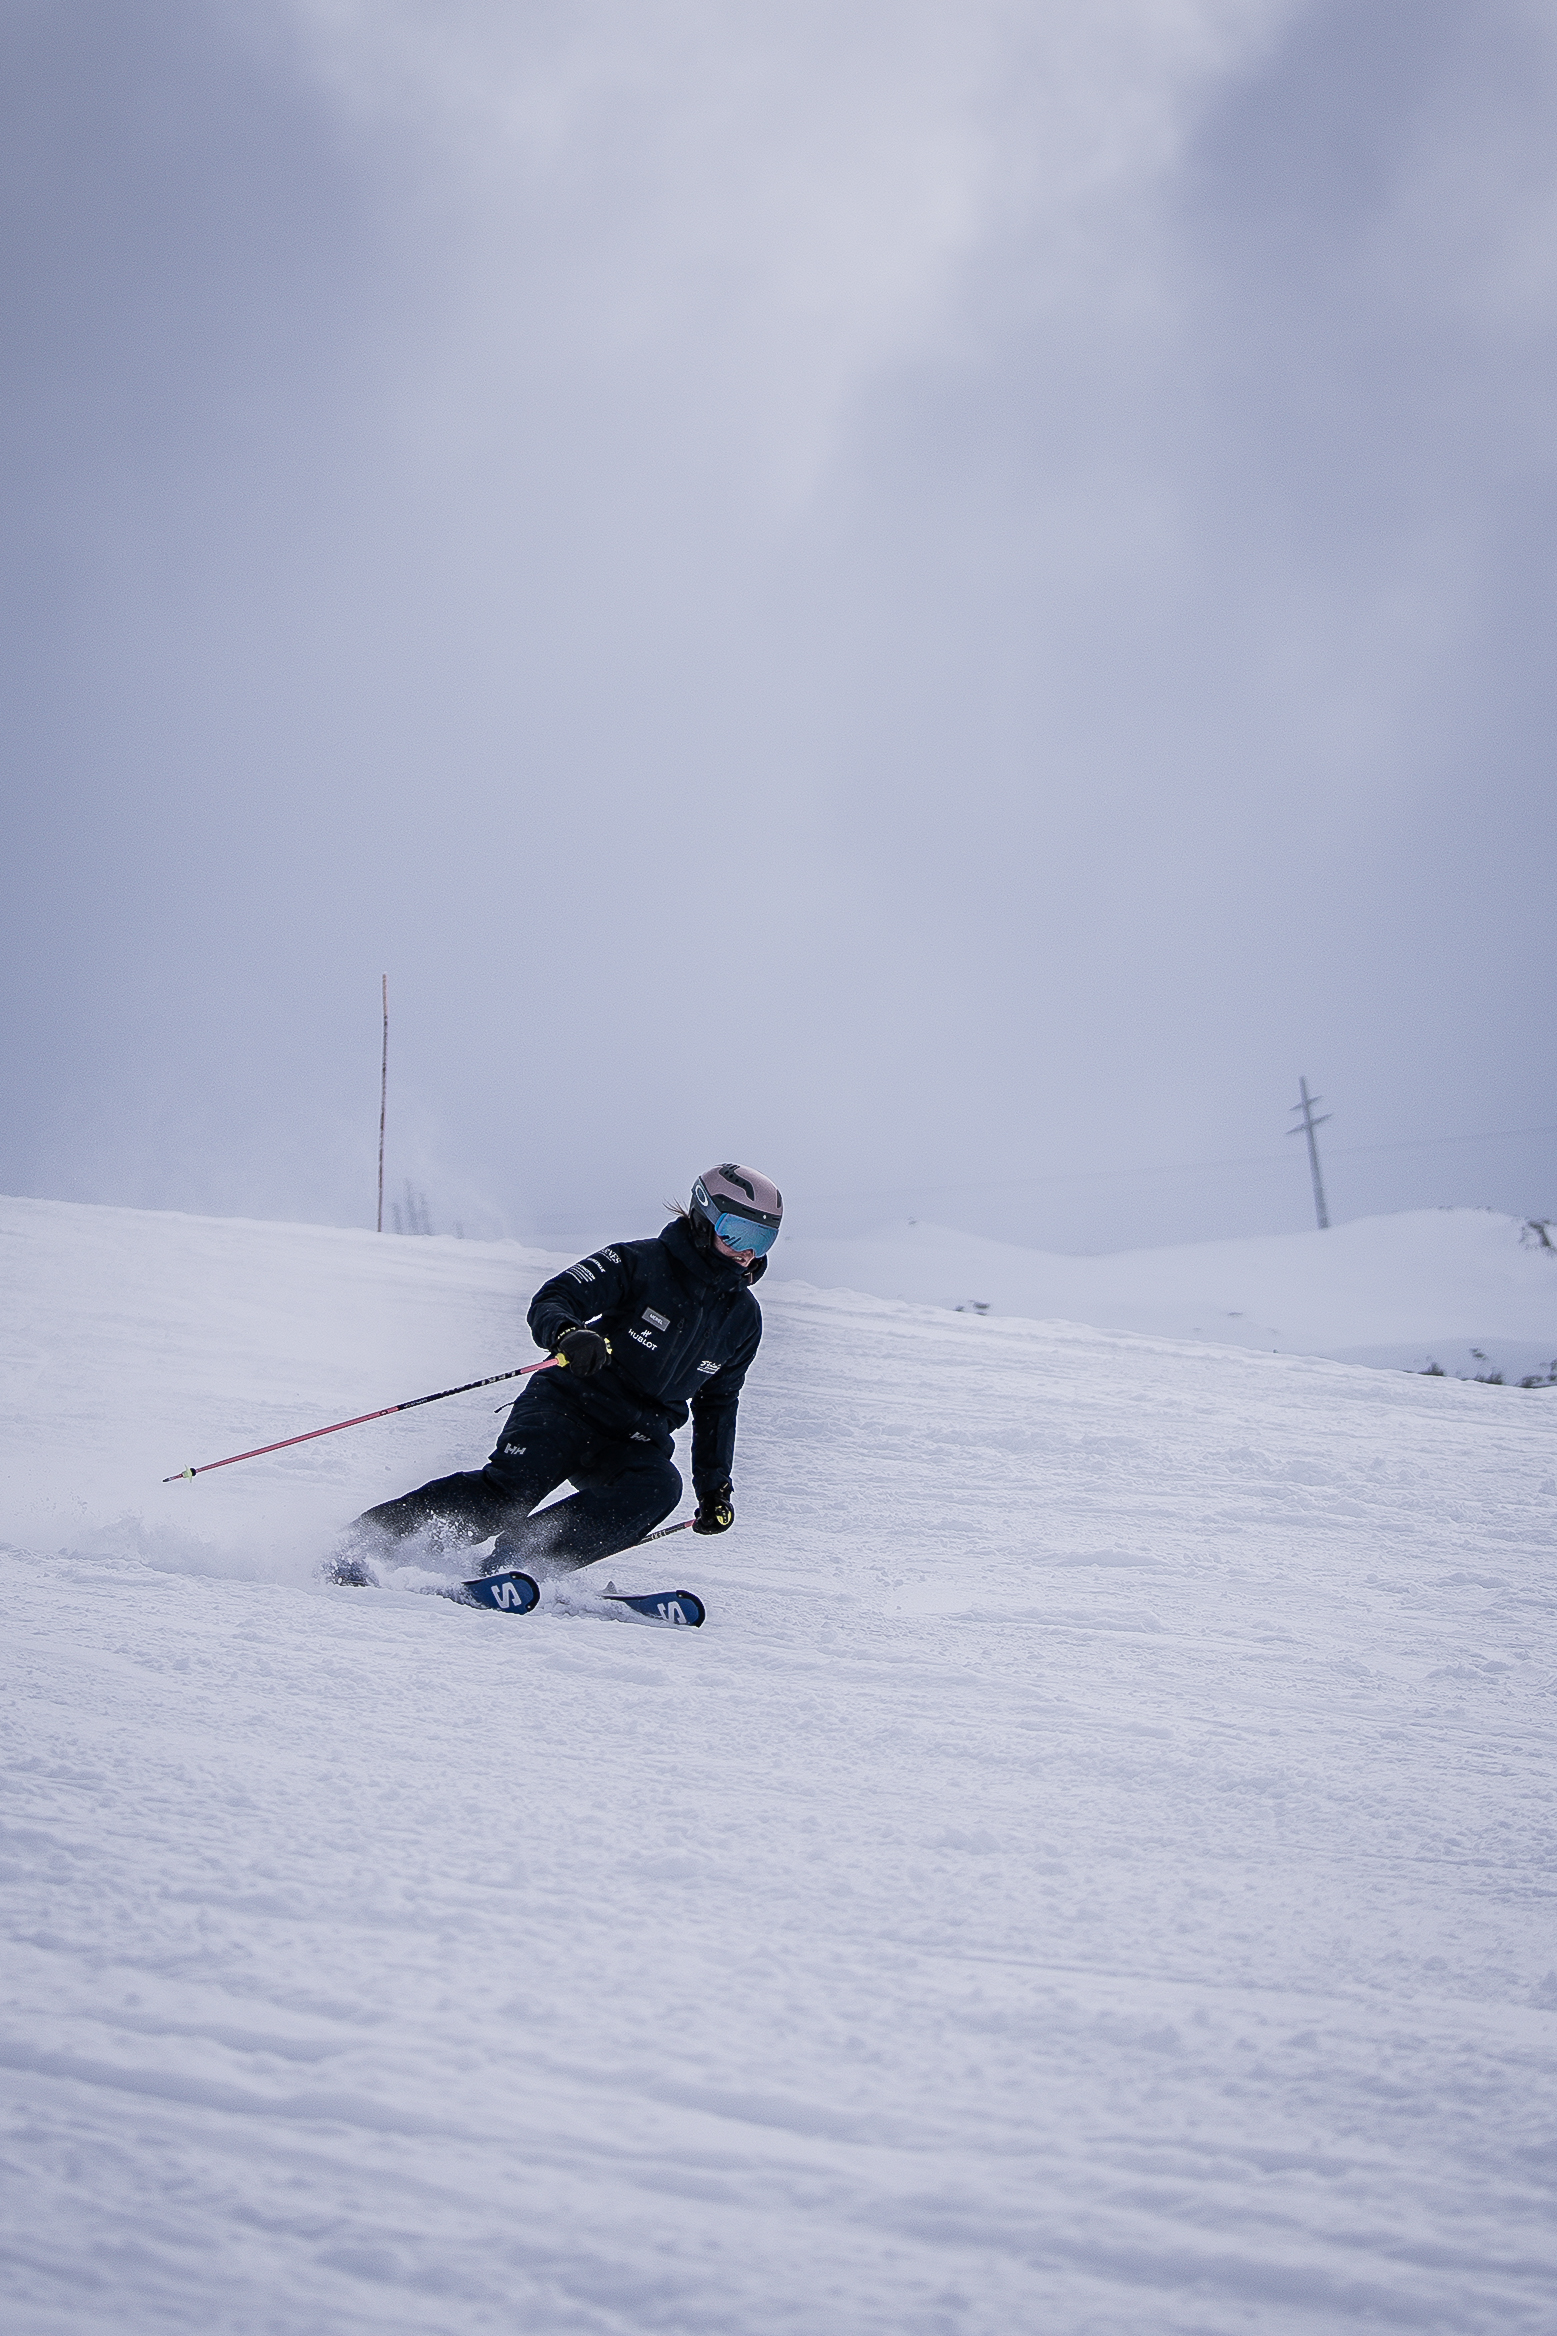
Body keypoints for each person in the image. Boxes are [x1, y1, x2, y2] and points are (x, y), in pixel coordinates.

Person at [331, 1164, 782, 1584]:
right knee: (507, 1496)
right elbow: (555, 1297)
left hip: (635, 1437)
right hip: (566, 1407)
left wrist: (714, 1487)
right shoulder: (640, 1263)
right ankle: (364, 1543)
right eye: (737, 1232)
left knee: (659, 1486)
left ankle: (519, 1563)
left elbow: (718, 1403)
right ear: (704, 1222)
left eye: (762, 1240)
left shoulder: (742, 1319)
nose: (747, 1252)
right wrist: (568, 1334)